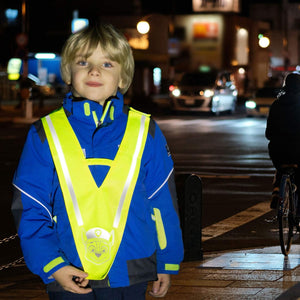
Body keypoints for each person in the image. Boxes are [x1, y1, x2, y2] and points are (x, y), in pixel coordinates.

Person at [11, 23, 184, 299]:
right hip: (68, 269)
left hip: (132, 269)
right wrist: (52, 265)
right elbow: (31, 207)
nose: (94, 71)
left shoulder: (145, 131)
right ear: (68, 72)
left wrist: (167, 260)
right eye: (83, 62)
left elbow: (162, 202)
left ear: (123, 78)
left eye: (107, 63)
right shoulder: (44, 134)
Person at [265, 72, 300, 209]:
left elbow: (268, 133)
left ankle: (276, 190)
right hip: (298, 150)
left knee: (281, 167)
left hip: (277, 151)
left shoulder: (276, 104)